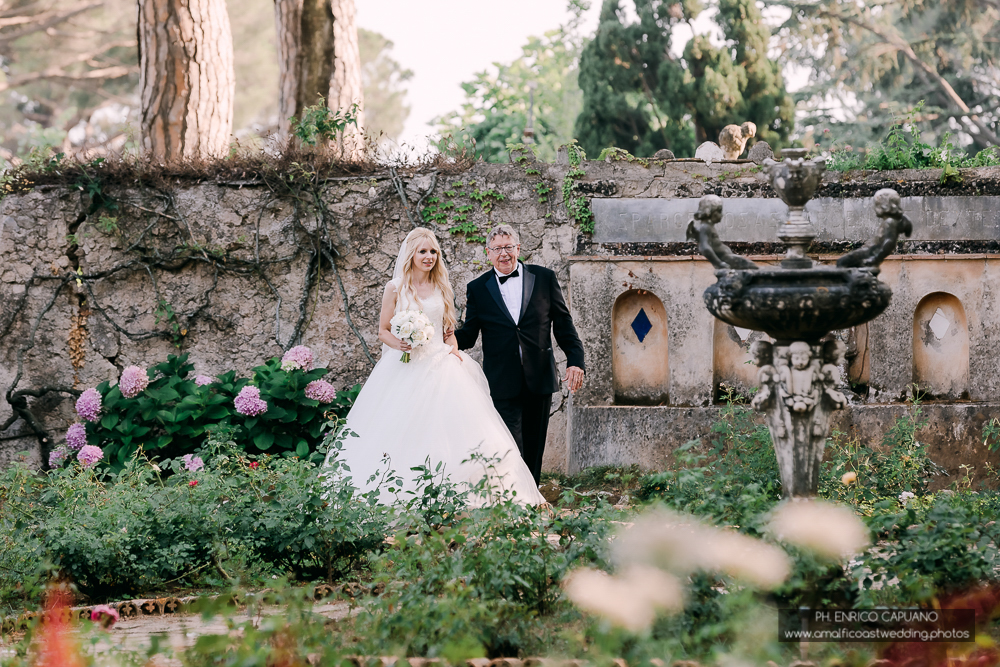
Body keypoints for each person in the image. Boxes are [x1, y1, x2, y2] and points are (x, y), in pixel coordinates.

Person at [322, 228, 544, 506]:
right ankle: (400, 498)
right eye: (423, 251)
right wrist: (400, 343)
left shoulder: (442, 287)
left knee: (459, 432)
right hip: (405, 367)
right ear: (411, 254)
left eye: (433, 252)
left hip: (442, 365)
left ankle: (478, 496)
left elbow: (448, 330)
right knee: (402, 431)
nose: (428, 257)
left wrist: (454, 350)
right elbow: (383, 331)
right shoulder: (395, 288)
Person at [455, 224, 585, 485]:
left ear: (518, 248)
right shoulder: (478, 288)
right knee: (509, 445)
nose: (504, 254)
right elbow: (468, 335)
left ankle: (532, 499)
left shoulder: (544, 278)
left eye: (508, 247)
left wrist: (575, 360)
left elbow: (563, 324)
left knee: (535, 446)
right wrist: (435, 339)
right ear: (488, 253)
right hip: (501, 380)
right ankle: (513, 502)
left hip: (539, 377)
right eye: (497, 249)